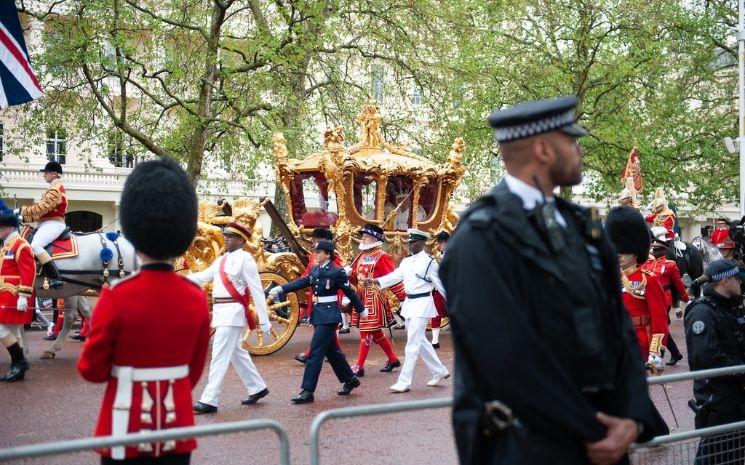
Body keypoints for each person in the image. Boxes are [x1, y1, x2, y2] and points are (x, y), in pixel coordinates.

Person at [440, 96, 667, 464]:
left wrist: (632, 414)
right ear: (544, 149)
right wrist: (594, 429)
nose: (579, 150)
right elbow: (505, 355)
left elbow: (617, 327)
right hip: (528, 445)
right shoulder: (481, 236)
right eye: (571, 141)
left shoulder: (582, 224)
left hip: (603, 438)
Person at [77, 158, 211, 465]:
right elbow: (192, 373)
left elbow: (91, 370)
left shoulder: (117, 297)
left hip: (124, 430)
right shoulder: (195, 297)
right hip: (175, 432)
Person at [189, 221, 272, 414]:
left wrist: (264, 320)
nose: (226, 238)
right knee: (236, 353)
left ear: (241, 240)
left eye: (230, 236)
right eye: (225, 235)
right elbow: (203, 277)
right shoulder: (221, 260)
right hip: (221, 312)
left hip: (233, 312)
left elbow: (257, 291)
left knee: (218, 355)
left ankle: (209, 399)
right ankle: (257, 387)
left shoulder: (246, 260)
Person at [269, 240, 364, 404]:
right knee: (332, 352)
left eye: (319, 251)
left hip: (329, 315)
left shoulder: (337, 271)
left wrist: (361, 309)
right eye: (315, 251)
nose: (315, 254)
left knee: (315, 353)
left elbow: (349, 291)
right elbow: (302, 282)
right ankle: (350, 379)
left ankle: (307, 390)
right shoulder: (315, 269)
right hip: (319, 314)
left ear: (327, 254)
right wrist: (282, 288)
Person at [369, 229, 450, 393]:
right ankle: (439, 371)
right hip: (409, 304)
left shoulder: (429, 262)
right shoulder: (406, 262)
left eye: (413, 242)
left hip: (422, 304)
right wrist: (376, 281)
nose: (410, 244)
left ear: (422, 243)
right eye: (409, 241)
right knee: (420, 341)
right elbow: (395, 276)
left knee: (412, 344)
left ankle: (404, 381)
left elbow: (441, 286)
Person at [685, 259, 745, 464]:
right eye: (738, 279)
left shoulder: (729, 309)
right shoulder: (703, 311)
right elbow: (705, 358)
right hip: (717, 402)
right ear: (725, 281)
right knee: (714, 458)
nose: (741, 283)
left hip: (735, 399)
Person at [605, 206, 669, 369]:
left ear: (634, 252)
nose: (617, 254)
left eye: (623, 251)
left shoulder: (648, 280)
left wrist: (655, 353)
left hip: (638, 345)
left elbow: (659, 320)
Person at [347, 223, 406, 376]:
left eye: (366, 236)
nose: (363, 239)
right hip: (361, 295)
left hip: (374, 297)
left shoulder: (382, 256)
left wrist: (403, 298)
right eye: (363, 236)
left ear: (375, 238)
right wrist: (349, 274)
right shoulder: (362, 255)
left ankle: (359, 366)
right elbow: (357, 279)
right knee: (376, 332)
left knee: (365, 332)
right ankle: (393, 359)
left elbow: (392, 278)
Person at [294, 228, 347, 364]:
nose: (313, 241)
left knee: (325, 325)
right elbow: (309, 271)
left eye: (316, 238)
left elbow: (338, 274)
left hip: (331, 294)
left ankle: (310, 354)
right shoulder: (314, 255)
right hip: (316, 293)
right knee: (319, 323)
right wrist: (298, 283)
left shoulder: (333, 255)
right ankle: (337, 353)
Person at [16, 161, 67, 288]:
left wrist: (22, 210)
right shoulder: (52, 188)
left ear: (54, 173)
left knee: (35, 245)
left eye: (46, 173)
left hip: (54, 224)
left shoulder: (55, 189)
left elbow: (40, 208)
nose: (44, 175)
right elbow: (41, 214)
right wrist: (23, 218)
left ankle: (56, 277)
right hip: (46, 223)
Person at [0, 202, 34, 382]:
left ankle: (19, 362)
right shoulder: (7, 245)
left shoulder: (20, 245)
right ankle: (18, 368)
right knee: (13, 331)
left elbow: (28, 272)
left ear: (11, 227)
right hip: (5, 295)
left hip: (14, 295)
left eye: (1, 227)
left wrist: (23, 295)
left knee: (1, 330)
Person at [645, 238, 689, 365]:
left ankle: (658, 357)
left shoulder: (670, 265)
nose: (654, 251)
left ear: (664, 251)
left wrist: (686, 299)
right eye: (654, 249)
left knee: (657, 327)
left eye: (657, 249)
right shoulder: (647, 264)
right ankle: (675, 354)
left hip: (665, 300)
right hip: (650, 299)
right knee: (661, 327)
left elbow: (679, 285)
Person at [430, 231, 450, 348]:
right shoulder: (437, 256)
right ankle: (435, 340)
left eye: (443, 243)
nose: (441, 245)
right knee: (435, 314)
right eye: (440, 243)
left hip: (451, 288)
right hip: (438, 288)